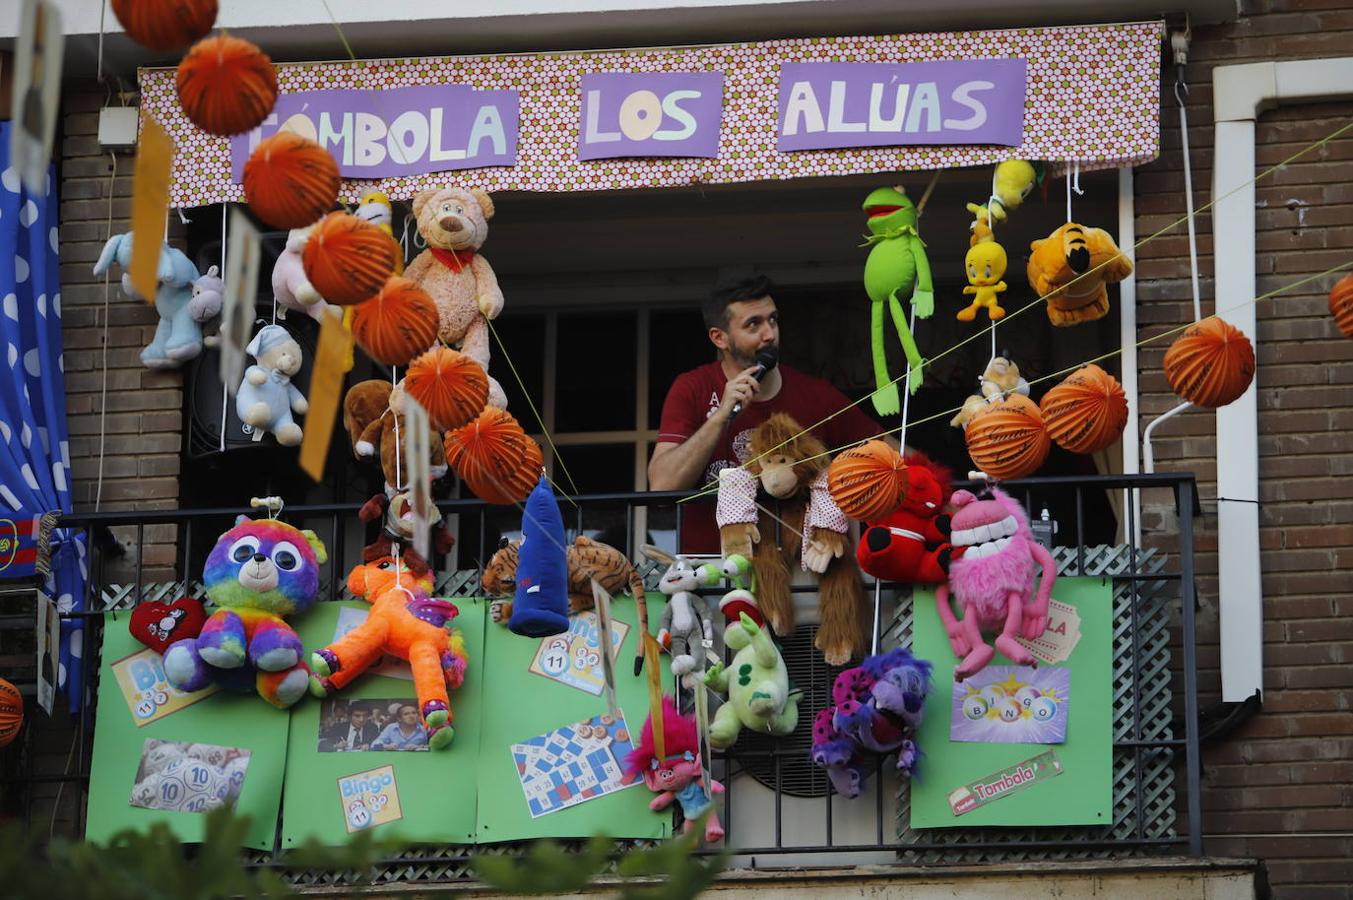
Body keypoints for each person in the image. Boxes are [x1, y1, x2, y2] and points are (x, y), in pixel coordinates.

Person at [649, 274, 886, 553]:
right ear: (719, 338)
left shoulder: (815, 394)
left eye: (772, 320)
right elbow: (662, 487)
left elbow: (893, 455)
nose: (770, 334)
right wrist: (720, 417)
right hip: (713, 576)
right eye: (753, 325)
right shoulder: (692, 388)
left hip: (801, 578)